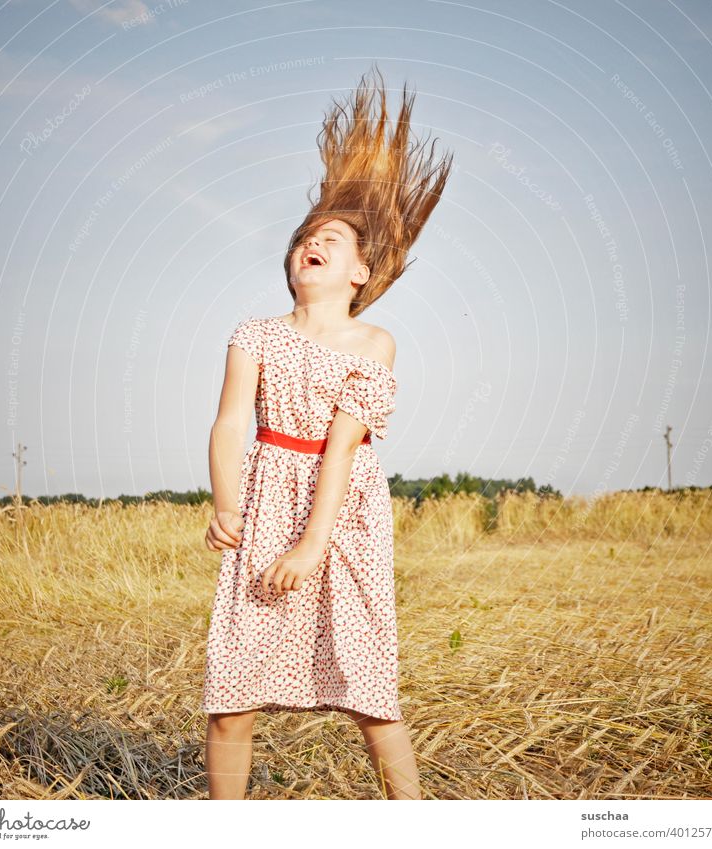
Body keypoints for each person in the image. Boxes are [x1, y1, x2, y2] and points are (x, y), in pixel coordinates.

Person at [200, 64, 453, 800]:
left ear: (361, 271)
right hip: (265, 496)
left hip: (342, 514)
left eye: (332, 239)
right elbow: (228, 422)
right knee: (231, 692)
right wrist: (225, 502)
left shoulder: (374, 343)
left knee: (370, 690)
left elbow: (342, 446)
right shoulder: (254, 333)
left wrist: (313, 541)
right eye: (306, 236)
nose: (312, 241)